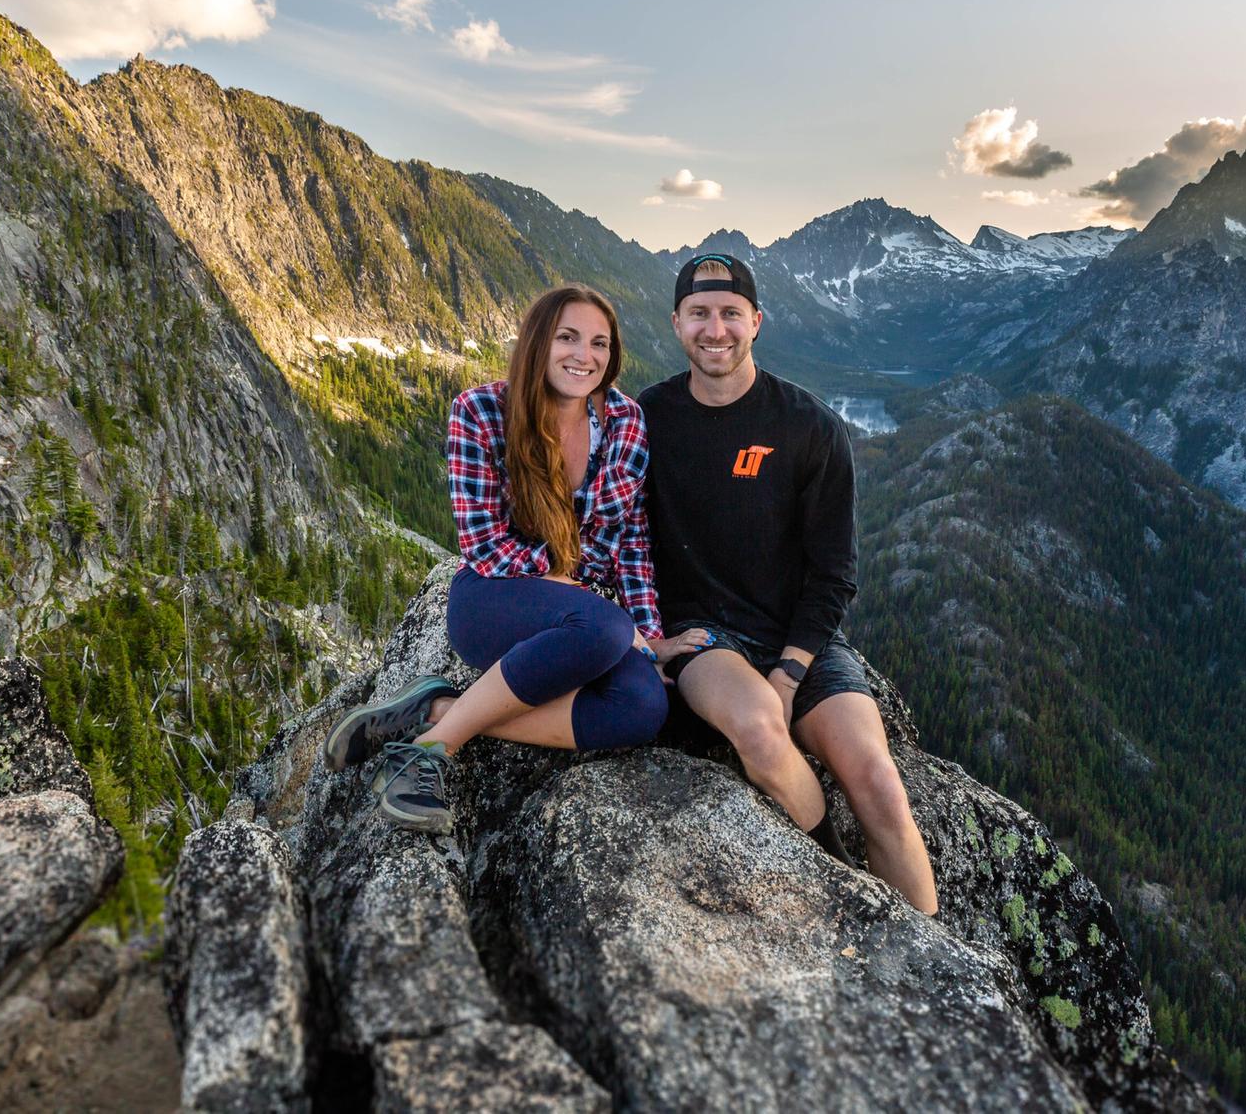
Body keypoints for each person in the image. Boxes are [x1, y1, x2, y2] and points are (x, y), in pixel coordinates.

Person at [322, 284, 707, 832]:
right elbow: (484, 545)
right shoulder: (479, 411)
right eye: (567, 337)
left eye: (600, 343)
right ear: (537, 342)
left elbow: (632, 538)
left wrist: (651, 634)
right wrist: (581, 596)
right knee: (603, 627)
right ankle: (428, 751)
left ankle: (436, 709)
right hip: (494, 597)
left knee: (642, 708)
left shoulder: (624, 422)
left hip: (577, 618)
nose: (585, 355)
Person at [640, 254, 939, 914]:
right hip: (704, 635)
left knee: (881, 784)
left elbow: (834, 574)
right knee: (758, 730)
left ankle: (930, 947)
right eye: (699, 315)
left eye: (729, 314)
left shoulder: (808, 427)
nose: (714, 330)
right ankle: (846, 890)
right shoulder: (645, 421)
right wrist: (641, 636)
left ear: (756, 322)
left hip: (800, 638)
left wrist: (789, 673)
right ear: (676, 324)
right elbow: (604, 529)